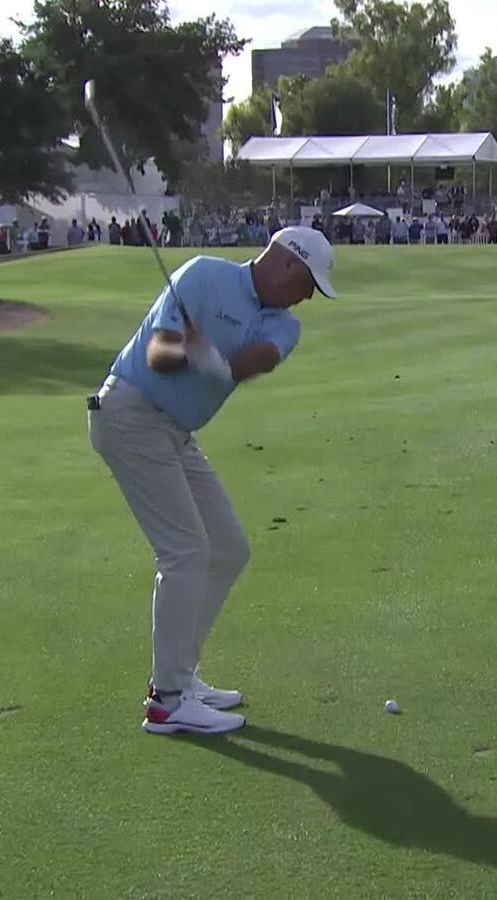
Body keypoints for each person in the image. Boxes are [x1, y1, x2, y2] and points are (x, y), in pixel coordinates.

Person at [87, 226, 340, 736]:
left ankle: (179, 675)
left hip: (176, 433)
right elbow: (158, 356)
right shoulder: (203, 276)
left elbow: (261, 358)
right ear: (287, 262)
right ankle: (167, 701)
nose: (308, 297)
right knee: (185, 551)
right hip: (131, 416)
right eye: (308, 283)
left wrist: (218, 362)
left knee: (228, 548)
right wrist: (190, 353)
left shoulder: (284, 323)